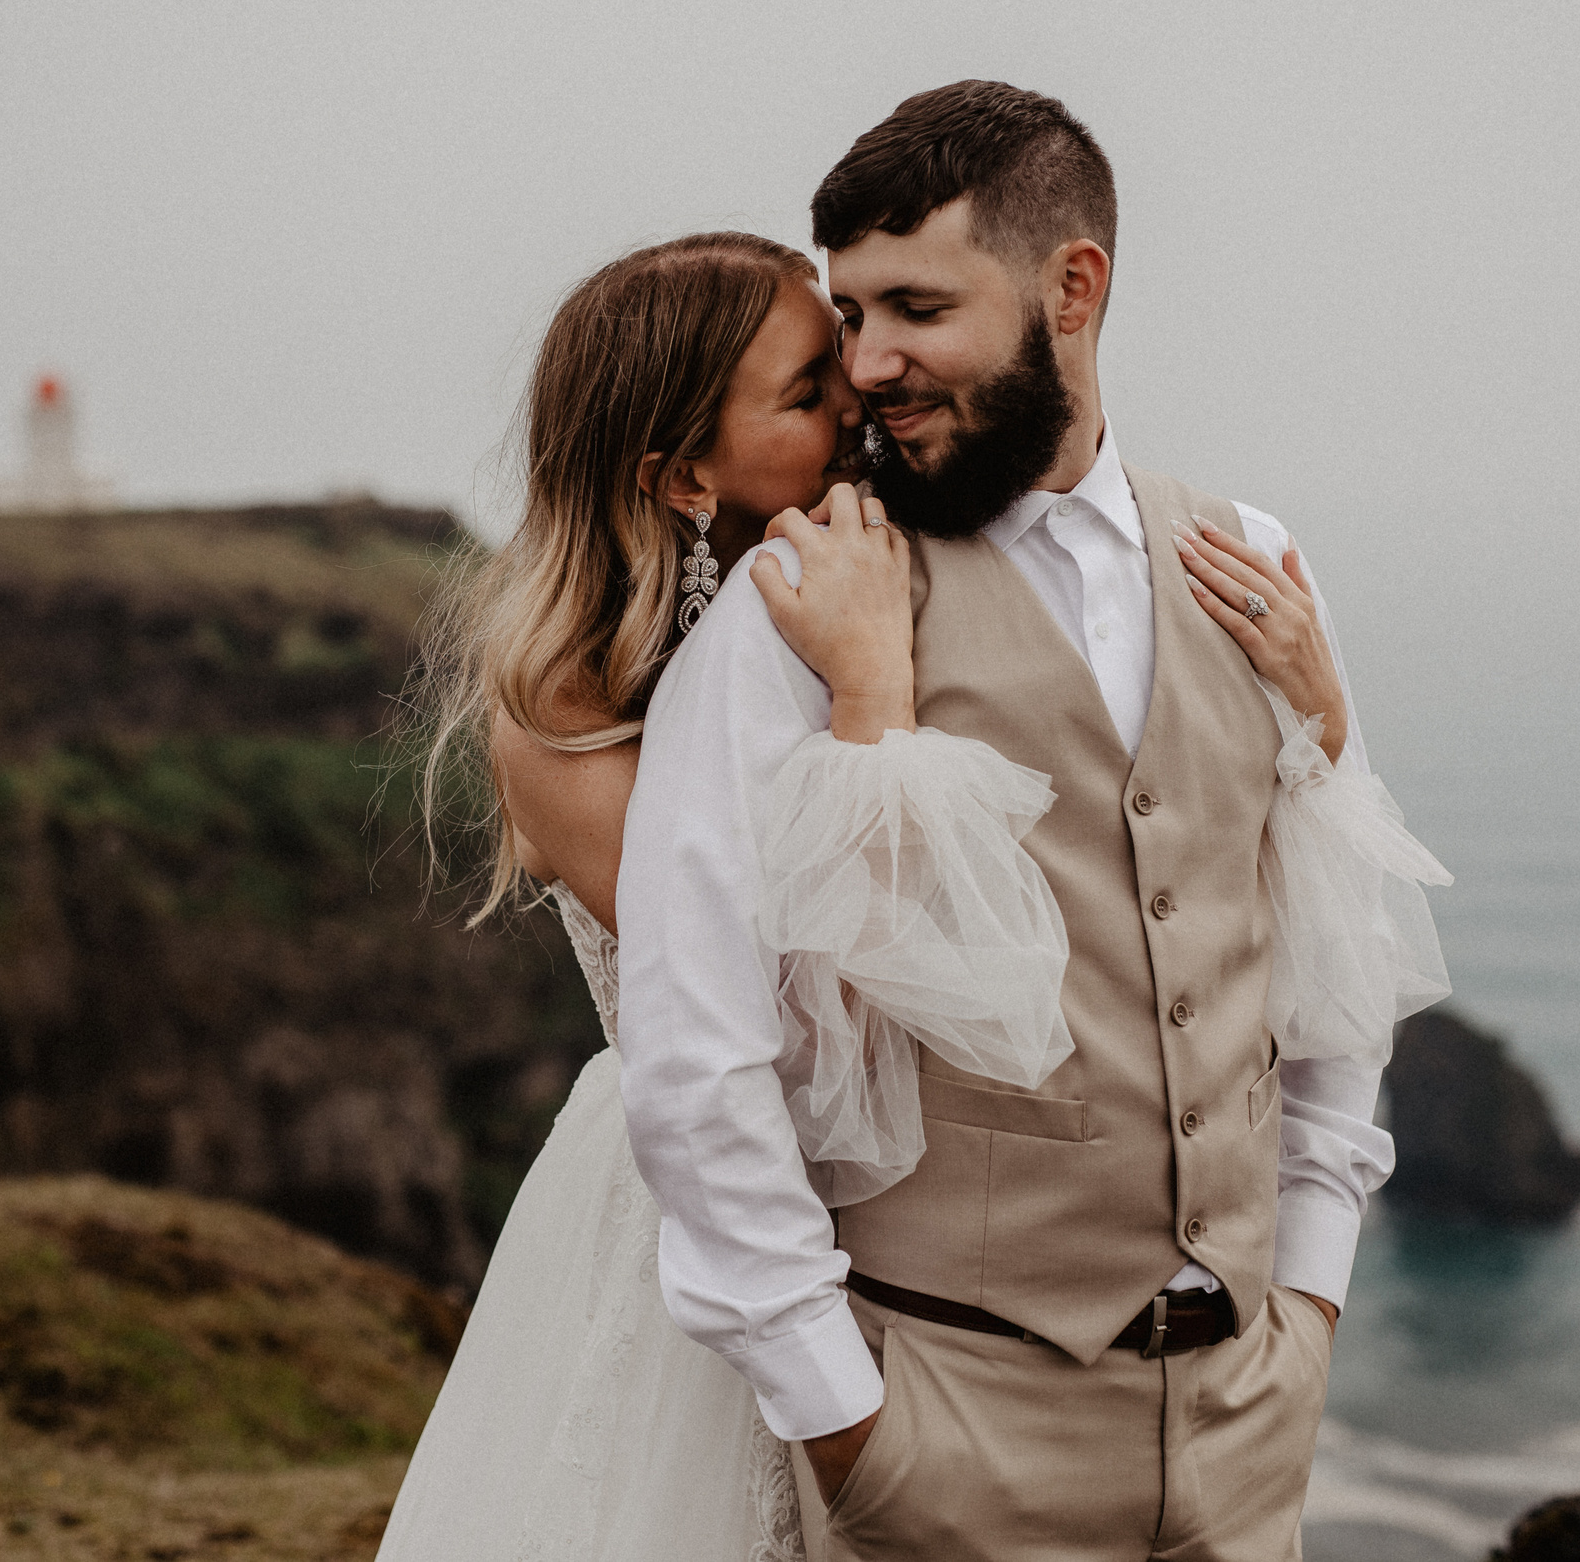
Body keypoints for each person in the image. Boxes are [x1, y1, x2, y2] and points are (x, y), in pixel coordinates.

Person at [616, 81, 1450, 1561]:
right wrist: (851, 1422)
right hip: (948, 1439)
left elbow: (1333, 961)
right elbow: (697, 1047)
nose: (868, 364)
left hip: (1248, 1430)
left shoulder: (1251, 561)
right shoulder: (796, 609)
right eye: (851, 315)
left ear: (1074, 290)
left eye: (915, 309)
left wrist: (1308, 1302)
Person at [381, 231, 1072, 1560]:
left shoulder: (832, 577)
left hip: (911, 1210)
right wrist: (872, 698)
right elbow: (793, 1007)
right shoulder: (565, 711)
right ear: (684, 472)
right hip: (716, 1208)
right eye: (810, 390)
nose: (862, 396)